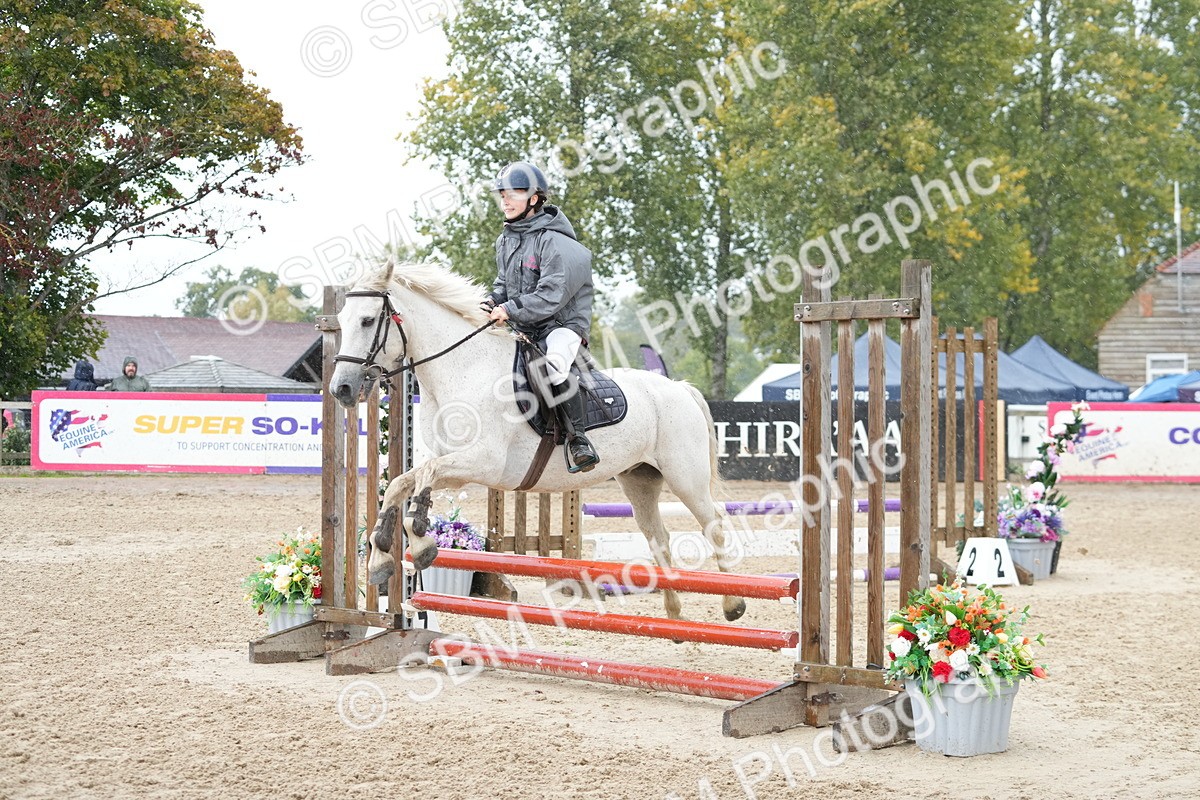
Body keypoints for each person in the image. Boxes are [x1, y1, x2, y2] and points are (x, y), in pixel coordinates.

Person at [482, 161, 599, 472]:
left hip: (562, 324)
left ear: (534, 199)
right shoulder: (506, 239)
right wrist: (490, 301)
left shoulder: (557, 242)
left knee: (553, 367)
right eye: (502, 194)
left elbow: (551, 295)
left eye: (513, 194)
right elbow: (503, 284)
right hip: (528, 326)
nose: (505, 200)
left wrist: (508, 309)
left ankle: (579, 439)